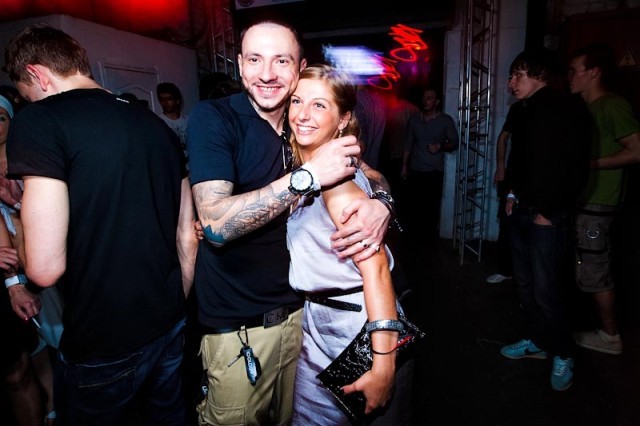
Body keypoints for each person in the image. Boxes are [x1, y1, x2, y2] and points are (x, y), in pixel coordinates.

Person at [186, 18, 393, 425]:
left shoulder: (301, 129)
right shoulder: (216, 118)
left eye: (281, 60)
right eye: (255, 59)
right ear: (239, 65)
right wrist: (308, 176)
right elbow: (215, 225)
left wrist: (383, 202)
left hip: (304, 319)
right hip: (241, 328)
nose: (267, 74)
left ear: (299, 68)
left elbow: (366, 172)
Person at [4, 24, 198, 425]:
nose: (28, 102)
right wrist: (172, 304)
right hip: (168, 322)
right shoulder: (154, 124)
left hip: (104, 341)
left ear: (38, 74)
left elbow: (43, 268)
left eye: (26, 93)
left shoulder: (39, 120)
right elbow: (186, 233)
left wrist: (21, 211)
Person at [286, 64, 413, 425]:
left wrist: (383, 365)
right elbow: (372, 173)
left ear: (343, 119)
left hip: (358, 326)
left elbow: (376, 269)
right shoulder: (326, 164)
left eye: (319, 105)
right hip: (322, 323)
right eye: (297, 101)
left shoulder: (335, 181)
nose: (303, 114)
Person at [499, 49, 591, 391]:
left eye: (517, 75)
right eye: (511, 76)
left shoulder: (566, 108)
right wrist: (511, 193)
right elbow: (521, 160)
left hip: (547, 216)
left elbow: (575, 165)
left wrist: (548, 211)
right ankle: (538, 341)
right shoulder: (522, 110)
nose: (511, 83)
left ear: (538, 75)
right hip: (522, 211)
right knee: (526, 286)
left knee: (548, 290)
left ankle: (563, 352)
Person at [568, 43, 640, 355]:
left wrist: (590, 164)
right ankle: (598, 329)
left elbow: (636, 150)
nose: (570, 77)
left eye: (575, 71)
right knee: (585, 267)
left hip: (600, 202)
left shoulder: (612, 105)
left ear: (594, 72)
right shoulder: (585, 109)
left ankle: (611, 337)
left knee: (595, 270)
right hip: (584, 200)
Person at [402, 87, 459, 239]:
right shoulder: (414, 120)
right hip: (416, 169)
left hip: (434, 172)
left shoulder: (445, 120)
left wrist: (440, 146)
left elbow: (454, 142)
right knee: (415, 206)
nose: (425, 101)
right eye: (424, 97)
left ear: (437, 101)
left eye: (430, 98)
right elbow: (408, 144)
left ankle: (429, 239)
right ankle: (415, 239)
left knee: (432, 208)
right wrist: (404, 166)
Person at [486, 102, 523, 284]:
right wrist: (501, 165)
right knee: (506, 222)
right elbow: (503, 137)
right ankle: (506, 270)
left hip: (534, 177)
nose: (511, 87)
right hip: (514, 176)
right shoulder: (518, 108)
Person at [157, 81, 189, 159]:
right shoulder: (158, 122)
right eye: (162, 99)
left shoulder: (188, 120)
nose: (165, 103)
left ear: (177, 101)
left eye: (169, 99)